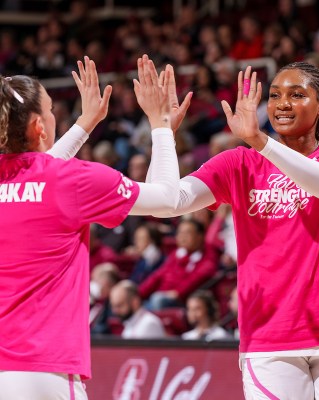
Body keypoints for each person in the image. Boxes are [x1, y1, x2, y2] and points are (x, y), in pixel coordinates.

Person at [148, 62, 319, 399]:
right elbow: (165, 202)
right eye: (274, 96)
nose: (282, 103)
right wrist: (162, 130)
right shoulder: (239, 163)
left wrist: (261, 141)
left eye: (296, 94)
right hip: (268, 337)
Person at [0, 55, 189, 399]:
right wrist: (161, 127)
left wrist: (85, 125)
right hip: (43, 369)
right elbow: (167, 199)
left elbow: (37, 174)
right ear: (40, 126)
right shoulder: (74, 180)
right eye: (52, 109)